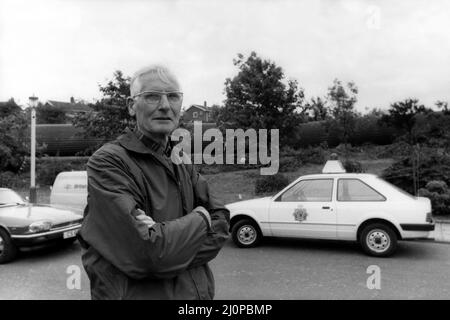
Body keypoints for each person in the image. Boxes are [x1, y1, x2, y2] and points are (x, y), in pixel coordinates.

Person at [78, 65, 230, 300]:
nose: (165, 106)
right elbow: (148, 254)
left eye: (173, 96)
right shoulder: (108, 162)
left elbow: (221, 221)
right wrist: (201, 218)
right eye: (151, 96)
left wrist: (172, 250)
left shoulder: (180, 159)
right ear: (131, 105)